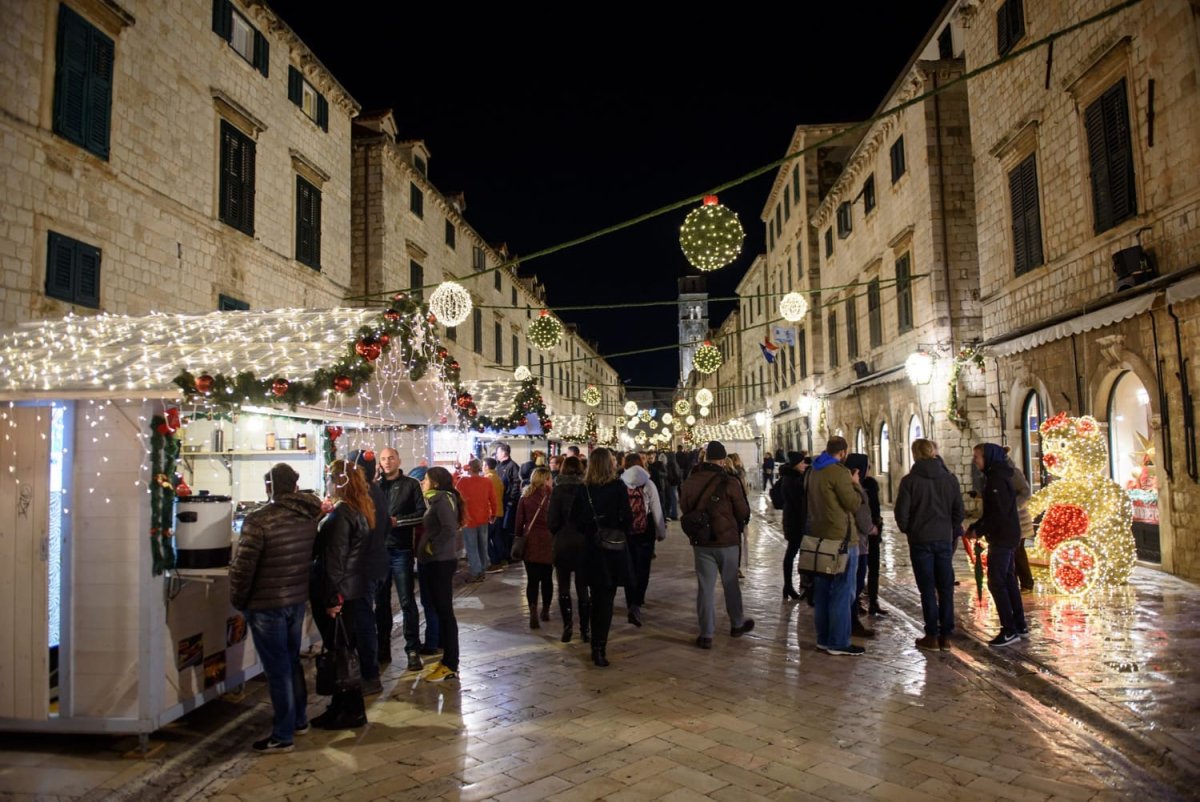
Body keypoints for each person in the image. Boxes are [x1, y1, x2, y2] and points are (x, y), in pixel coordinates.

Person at [230, 463, 322, 753]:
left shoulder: (259, 521)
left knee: (277, 669)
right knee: (292, 662)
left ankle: (283, 735)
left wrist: (238, 600)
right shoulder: (308, 516)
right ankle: (299, 719)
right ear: (295, 485)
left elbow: (244, 568)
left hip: (266, 603)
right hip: (295, 600)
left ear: (269, 487)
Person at [310, 460, 373, 729]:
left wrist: (332, 598)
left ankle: (351, 710)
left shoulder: (340, 516)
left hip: (340, 594)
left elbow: (334, 560)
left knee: (341, 652)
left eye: (329, 477)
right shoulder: (357, 510)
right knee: (344, 651)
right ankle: (341, 707)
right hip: (351, 590)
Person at [679, 441, 754, 650]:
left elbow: (684, 507)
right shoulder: (730, 482)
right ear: (722, 460)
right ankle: (737, 624)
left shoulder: (691, 480)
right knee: (730, 583)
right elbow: (743, 512)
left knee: (705, 587)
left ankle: (706, 634)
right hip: (727, 542)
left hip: (702, 542)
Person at [895, 439, 963, 651]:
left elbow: (901, 513)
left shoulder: (910, 481)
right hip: (943, 539)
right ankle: (946, 636)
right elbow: (958, 512)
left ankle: (931, 635)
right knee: (945, 587)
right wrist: (949, 529)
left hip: (921, 540)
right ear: (933, 452)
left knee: (927, 588)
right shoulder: (950, 479)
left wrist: (910, 529)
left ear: (915, 455)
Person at [571, 447, 633, 667]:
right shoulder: (618, 487)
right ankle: (599, 648)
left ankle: (589, 635)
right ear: (610, 464)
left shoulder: (583, 489)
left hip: (589, 550)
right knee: (605, 600)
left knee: (591, 595)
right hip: (611, 549)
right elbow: (627, 518)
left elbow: (574, 520)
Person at [806, 436, 865, 656]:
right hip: (841, 539)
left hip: (819, 537)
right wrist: (856, 485)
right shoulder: (839, 472)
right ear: (843, 453)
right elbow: (852, 503)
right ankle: (838, 641)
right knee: (842, 591)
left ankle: (823, 638)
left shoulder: (814, 470)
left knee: (822, 591)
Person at [971, 443, 1028, 647]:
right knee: (1008, 579)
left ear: (989, 457)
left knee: (996, 581)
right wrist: (977, 526)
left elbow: (997, 513)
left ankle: (1009, 628)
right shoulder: (998, 475)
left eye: (977, 456)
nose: (975, 460)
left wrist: (979, 529)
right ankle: (1019, 624)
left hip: (1003, 537)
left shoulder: (995, 478)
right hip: (1008, 534)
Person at [377, 447, 426, 673]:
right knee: (382, 603)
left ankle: (412, 649)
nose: (387, 462)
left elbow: (421, 513)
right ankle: (383, 647)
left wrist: (399, 521)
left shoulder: (411, 484)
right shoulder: (374, 487)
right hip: (379, 551)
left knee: (407, 601)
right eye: (384, 459)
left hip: (401, 550)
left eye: (391, 458)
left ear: (398, 459)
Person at [346, 450, 389, 694]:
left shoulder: (363, 496)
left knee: (363, 622)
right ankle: (368, 671)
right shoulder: (377, 492)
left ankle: (369, 675)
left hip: (364, 569)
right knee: (367, 619)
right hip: (377, 563)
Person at [416, 467, 464, 681]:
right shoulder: (437, 499)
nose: (423, 483)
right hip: (435, 561)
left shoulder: (442, 500)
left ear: (435, 482)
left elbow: (449, 528)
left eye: (425, 479)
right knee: (439, 608)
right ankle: (446, 660)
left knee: (445, 611)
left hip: (440, 562)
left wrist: (432, 547)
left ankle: (451, 663)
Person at [620, 453, 666, 628]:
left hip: (626, 530)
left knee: (628, 565)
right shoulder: (648, 483)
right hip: (645, 530)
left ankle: (630, 600)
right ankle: (638, 600)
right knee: (643, 566)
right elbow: (656, 508)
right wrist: (661, 532)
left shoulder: (621, 482)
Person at [548, 456, 589, 643]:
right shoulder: (586, 489)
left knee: (563, 587)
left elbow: (552, 521)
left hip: (563, 543)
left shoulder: (558, 490)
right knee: (583, 588)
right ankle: (585, 629)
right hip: (582, 543)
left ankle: (567, 627)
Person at [843, 454, 878, 639]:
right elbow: (862, 519)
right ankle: (852, 622)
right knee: (854, 585)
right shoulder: (856, 490)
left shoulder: (842, 487)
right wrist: (872, 528)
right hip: (858, 544)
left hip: (847, 541)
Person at [515, 467, 555, 628]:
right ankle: (545, 610)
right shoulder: (552, 497)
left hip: (530, 541)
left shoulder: (525, 497)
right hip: (548, 541)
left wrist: (519, 536)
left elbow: (518, 522)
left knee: (532, 580)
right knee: (547, 579)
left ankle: (532, 609)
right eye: (550, 478)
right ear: (545, 479)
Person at [455, 459, 497, 583]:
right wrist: (493, 513)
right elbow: (493, 499)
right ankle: (482, 569)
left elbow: (457, 499)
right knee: (482, 545)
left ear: (469, 468)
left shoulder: (462, 482)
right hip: (483, 517)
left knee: (471, 546)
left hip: (468, 518)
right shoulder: (487, 481)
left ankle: (476, 571)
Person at [778, 452, 809, 601]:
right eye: (802, 463)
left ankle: (789, 586)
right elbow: (798, 503)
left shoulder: (790, 477)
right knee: (791, 553)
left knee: (793, 553)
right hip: (795, 522)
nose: (804, 465)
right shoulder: (792, 480)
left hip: (794, 521)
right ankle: (789, 586)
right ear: (796, 464)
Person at [495, 442, 522, 565]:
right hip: (500, 502)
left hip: (508, 503)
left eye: (498, 452)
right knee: (501, 529)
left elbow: (516, 484)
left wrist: (511, 500)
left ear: (504, 453)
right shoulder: (498, 466)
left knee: (508, 529)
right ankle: (504, 553)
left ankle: (511, 554)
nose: (496, 454)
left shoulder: (512, 466)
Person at [664, 450, 681, 520]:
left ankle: (673, 514)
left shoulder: (670, 464)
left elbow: (670, 475)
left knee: (672, 499)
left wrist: (669, 481)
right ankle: (674, 513)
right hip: (676, 483)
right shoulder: (676, 463)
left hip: (672, 483)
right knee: (674, 498)